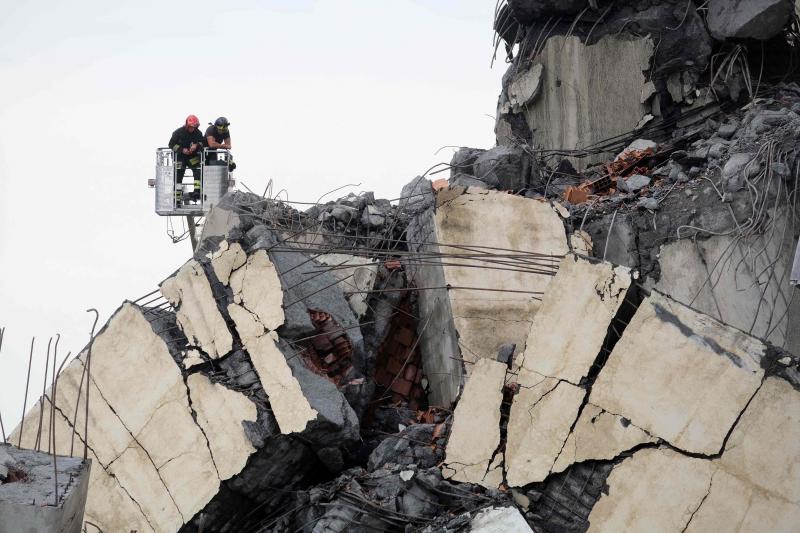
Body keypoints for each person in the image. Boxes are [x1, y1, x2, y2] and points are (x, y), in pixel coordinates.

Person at [168, 115, 204, 205]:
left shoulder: (198, 133)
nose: (193, 129)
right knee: (178, 176)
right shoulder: (178, 132)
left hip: (192, 157)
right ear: (187, 125)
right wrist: (182, 150)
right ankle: (177, 198)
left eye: (194, 127)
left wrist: (196, 145)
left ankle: (196, 192)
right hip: (180, 157)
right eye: (191, 127)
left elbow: (202, 143)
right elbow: (171, 144)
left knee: (198, 170)